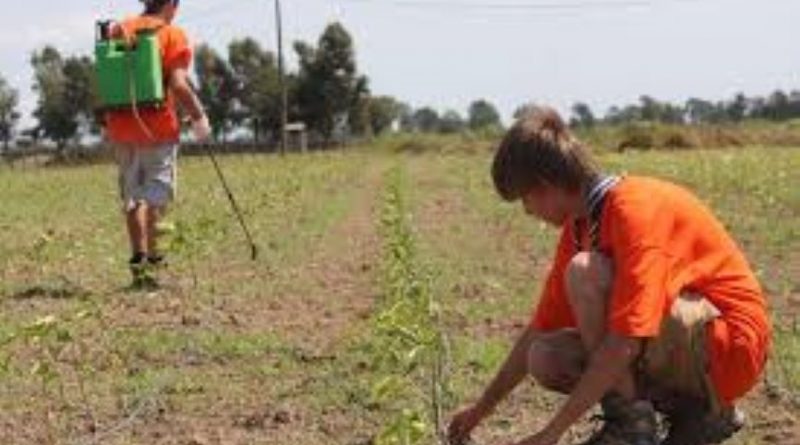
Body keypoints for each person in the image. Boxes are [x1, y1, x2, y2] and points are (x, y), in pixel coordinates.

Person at [447, 107, 771, 445]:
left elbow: (625, 341)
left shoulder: (633, 210)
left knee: (585, 273)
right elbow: (539, 330)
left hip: (730, 347)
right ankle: (692, 413)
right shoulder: (581, 225)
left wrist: (551, 433)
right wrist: (480, 410)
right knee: (545, 357)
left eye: (525, 201)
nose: (529, 212)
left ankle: (635, 425)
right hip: (687, 341)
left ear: (545, 186)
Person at [103, 0, 211, 288]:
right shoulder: (172, 34)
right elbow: (178, 84)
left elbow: (108, 78)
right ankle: (153, 262)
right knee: (156, 196)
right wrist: (199, 117)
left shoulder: (119, 29)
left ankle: (138, 262)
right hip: (158, 129)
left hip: (121, 126)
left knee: (132, 195)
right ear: (172, 4)